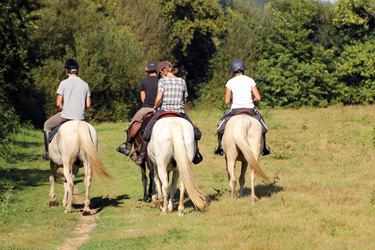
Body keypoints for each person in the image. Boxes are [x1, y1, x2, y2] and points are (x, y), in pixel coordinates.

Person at [134, 61, 203, 166]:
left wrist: (155, 107)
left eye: (160, 74)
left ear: (162, 71)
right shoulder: (182, 81)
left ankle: (141, 155)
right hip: (180, 112)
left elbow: (158, 98)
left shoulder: (162, 81)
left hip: (164, 110)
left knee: (147, 131)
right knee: (195, 132)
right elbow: (185, 100)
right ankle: (196, 154)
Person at [214, 59, 270, 156]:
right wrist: (252, 99)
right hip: (250, 109)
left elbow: (227, 101)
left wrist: (233, 100)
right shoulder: (250, 80)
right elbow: (258, 97)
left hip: (235, 109)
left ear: (232, 71)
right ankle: (264, 147)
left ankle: (219, 147)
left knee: (220, 126)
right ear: (243, 69)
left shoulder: (230, 82)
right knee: (263, 127)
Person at [41, 59, 91, 160]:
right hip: (80, 117)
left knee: (47, 125)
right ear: (77, 70)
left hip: (65, 116)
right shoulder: (85, 84)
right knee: (89, 131)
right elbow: (88, 105)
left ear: (67, 70)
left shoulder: (63, 83)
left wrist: (65, 109)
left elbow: (58, 103)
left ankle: (47, 154)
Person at [116, 61, 159, 156]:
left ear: (147, 70)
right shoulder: (161, 80)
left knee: (133, 125)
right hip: (160, 109)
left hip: (147, 108)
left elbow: (143, 99)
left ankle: (127, 147)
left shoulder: (144, 81)